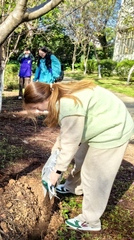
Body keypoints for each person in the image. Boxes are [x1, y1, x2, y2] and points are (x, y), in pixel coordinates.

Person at [23, 81, 134, 231]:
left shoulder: (67, 105)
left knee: (93, 175)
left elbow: (71, 143)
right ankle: (73, 187)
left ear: (44, 99)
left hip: (112, 128)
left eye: (36, 107)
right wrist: (57, 148)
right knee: (81, 158)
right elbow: (68, 131)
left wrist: (56, 172)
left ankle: (91, 220)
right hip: (98, 122)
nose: (37, 112)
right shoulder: (56, 91)